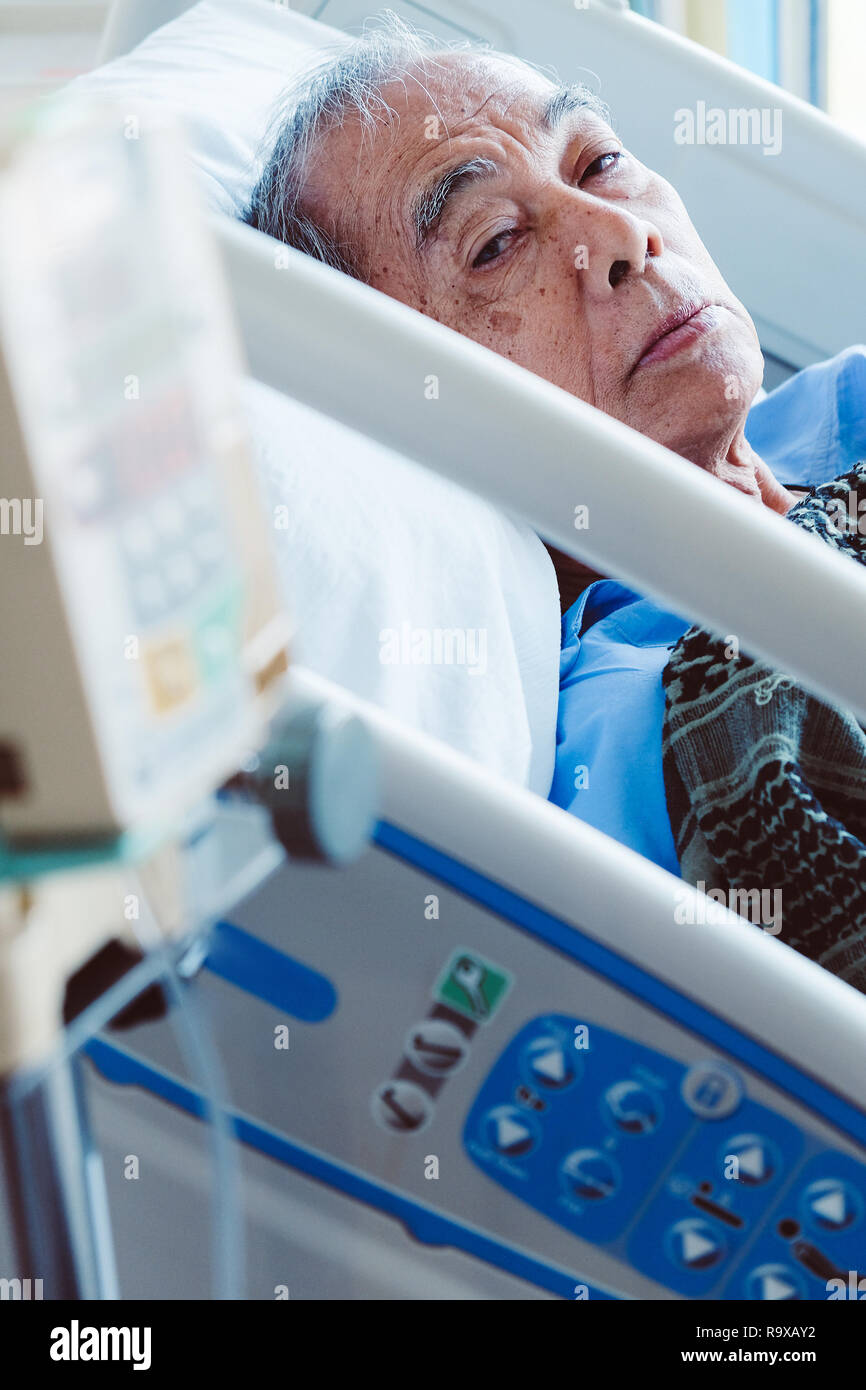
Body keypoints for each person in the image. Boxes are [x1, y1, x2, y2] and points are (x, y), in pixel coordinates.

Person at [243, 16, 866, 987]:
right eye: (495, 244)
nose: (621, 235)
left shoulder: (835, 406)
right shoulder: (653, 732)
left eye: (600, 162)